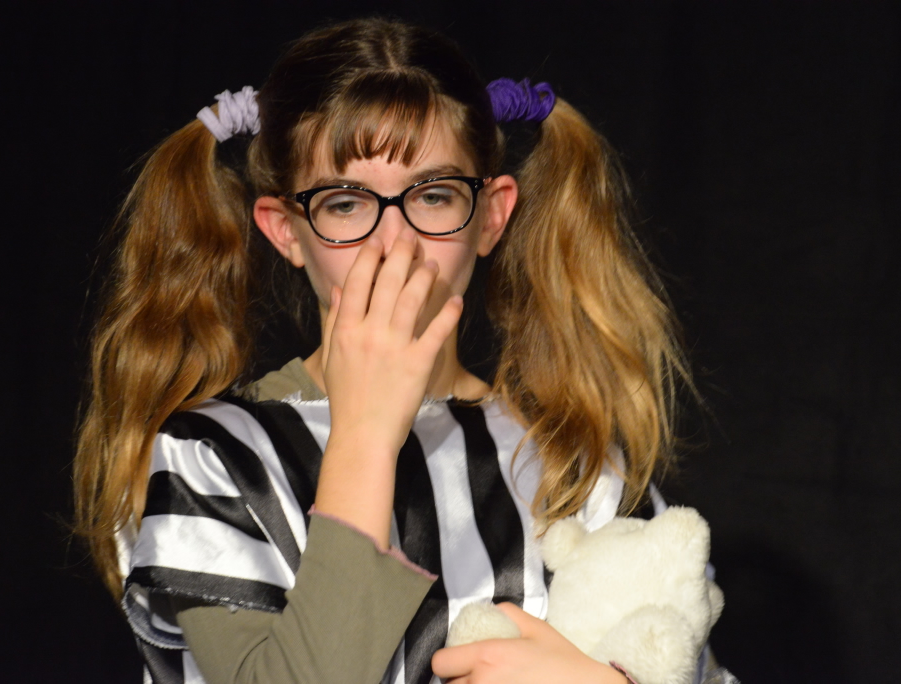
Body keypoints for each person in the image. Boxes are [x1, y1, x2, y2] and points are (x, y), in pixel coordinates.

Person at [74, 16, 719, 684]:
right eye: (345, 204)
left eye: (434, 196)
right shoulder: (216, 457)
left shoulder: (574, 465)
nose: (394, 243)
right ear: (287, 230)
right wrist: (366, 434)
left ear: (491, 216)